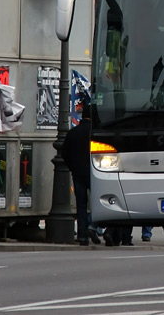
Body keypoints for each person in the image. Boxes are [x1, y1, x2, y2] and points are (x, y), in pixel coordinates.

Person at [60, 104, 99, 246]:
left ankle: (82, 235)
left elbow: (64, 153)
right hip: (95, 173)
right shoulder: (95, 132)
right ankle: (92, 225)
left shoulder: (73, 133)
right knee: (97, 203)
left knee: (81, 205)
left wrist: (73, 167)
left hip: (77, 174)